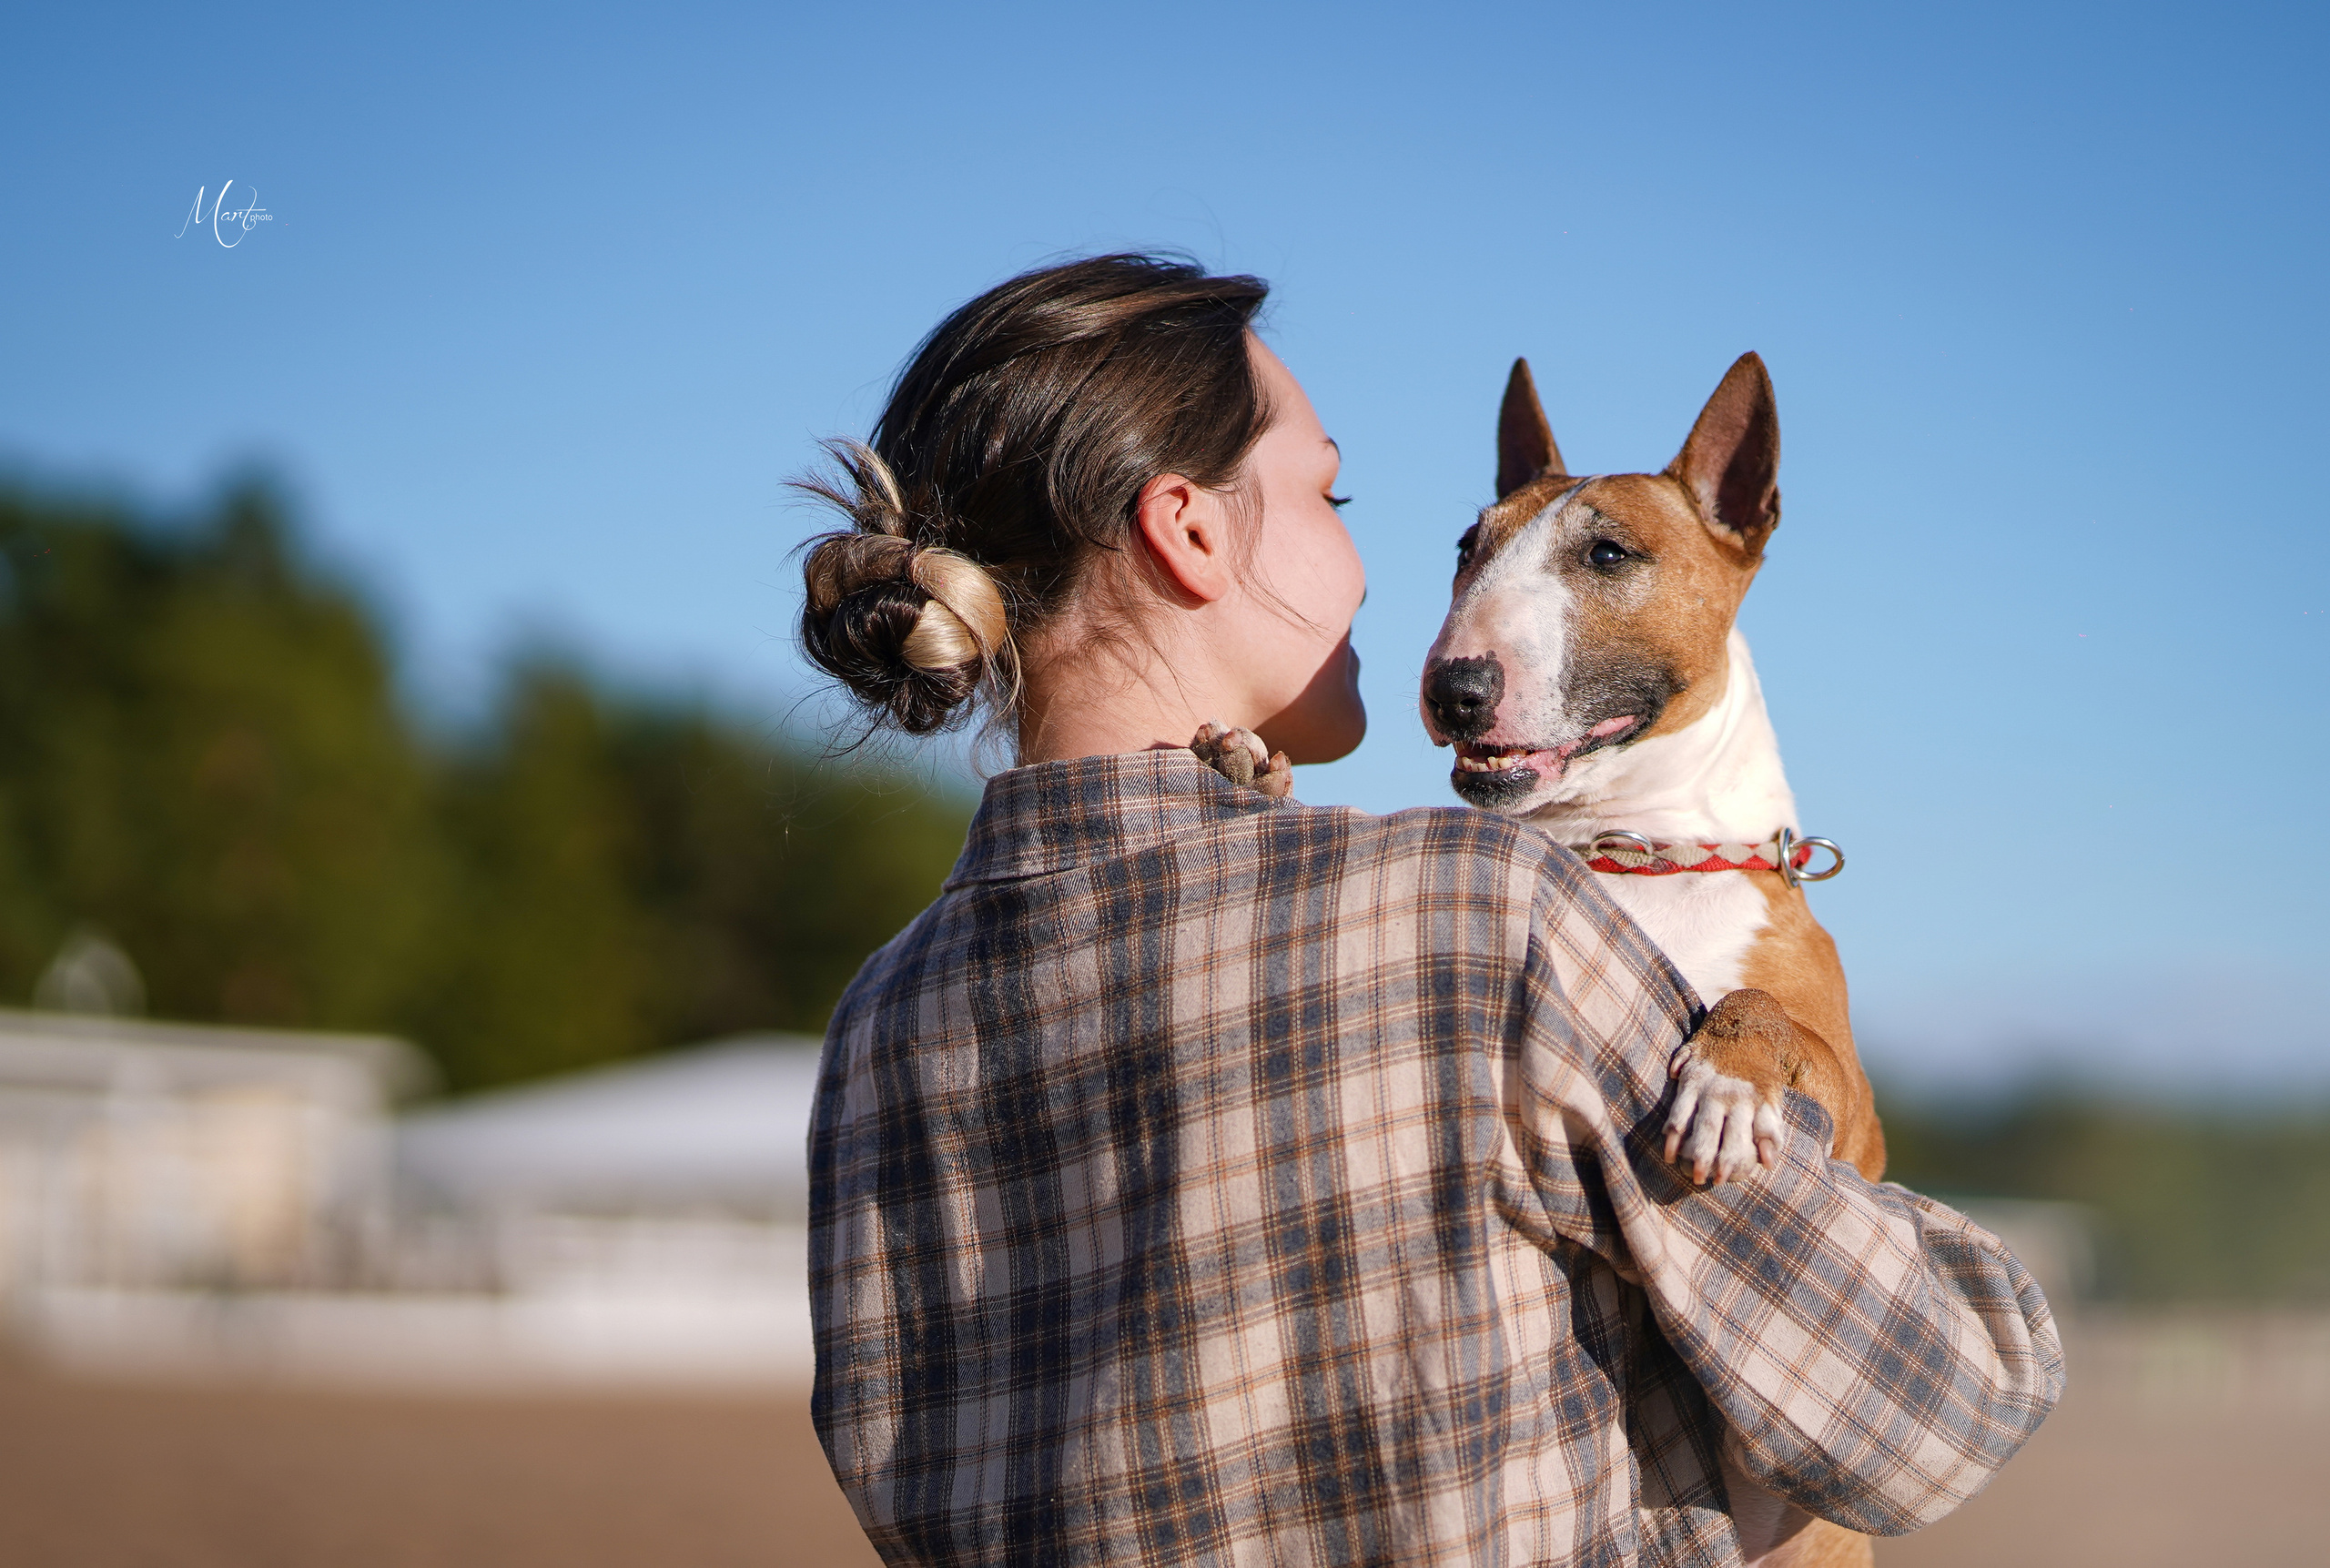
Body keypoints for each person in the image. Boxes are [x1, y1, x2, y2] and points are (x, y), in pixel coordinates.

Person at [798, 254, 2062, 1566]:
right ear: (1185, 531)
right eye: (1331, 493)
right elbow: (1928, 1407)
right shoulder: (1476, 919)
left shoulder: (878, 1024)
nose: (1386, 577)